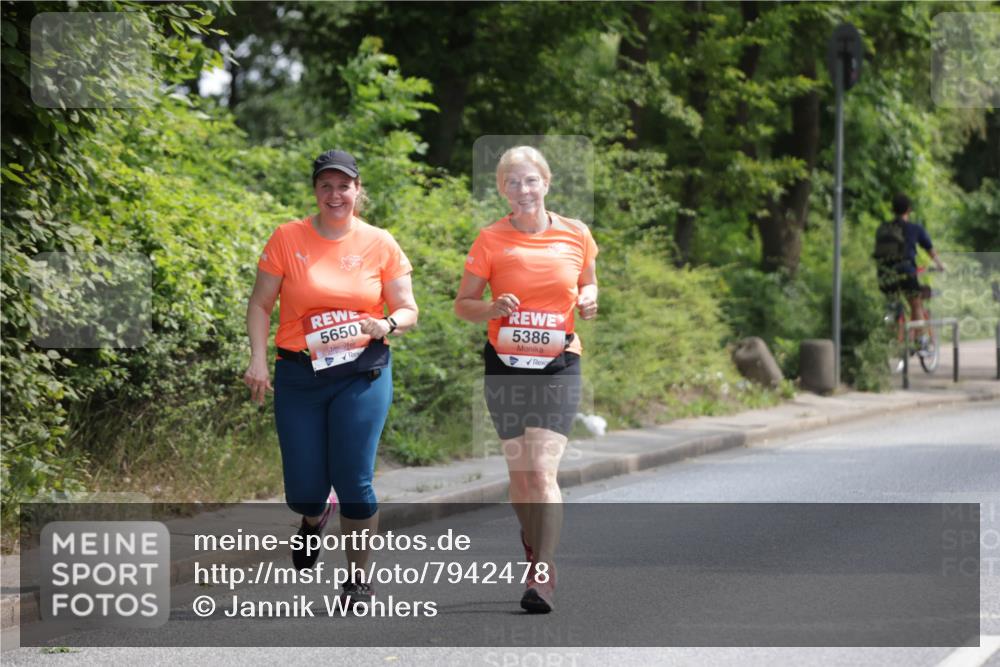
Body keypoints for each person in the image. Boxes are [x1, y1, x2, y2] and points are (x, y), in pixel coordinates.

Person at [243, 149, 418, 606]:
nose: (335, 194)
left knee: (354, 479)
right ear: (315, 191)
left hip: (361, 372)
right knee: (304, 490)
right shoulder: (288, 237)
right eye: (326, 186)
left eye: (344, 186)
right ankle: (313, 516)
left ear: (358, 190)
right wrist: (258, 360)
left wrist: (388, 323)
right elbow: (260, 304)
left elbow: (408, 308)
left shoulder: (380, 242)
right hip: (300, 373)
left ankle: (358, 578)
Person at [454, 146, 598, 613]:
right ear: (502, 189)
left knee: (541, 471)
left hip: (558, 363)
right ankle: (533, 541)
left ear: (546, 183)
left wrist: (589, 298)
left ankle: (543, 572)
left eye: (530, 180)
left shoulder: (576, 233)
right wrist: (491, 308)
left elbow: (588, 281)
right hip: (505, 366)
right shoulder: (490, 239)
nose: (523, 190)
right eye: (512, 182)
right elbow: (463, 305)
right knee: (521, 478)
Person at [874, 193, 946, 344]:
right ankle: (920, 340)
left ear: (893, 209)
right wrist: (941, 265)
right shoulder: (914, 228)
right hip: (906, 272)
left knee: (892, 304)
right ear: (909, 209)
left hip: (884, 274)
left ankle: (891, 340)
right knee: (916, 303)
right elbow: (929, 249)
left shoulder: (883, 228)